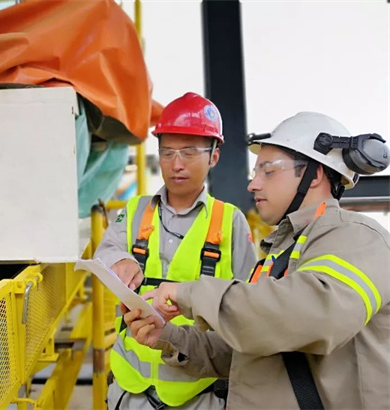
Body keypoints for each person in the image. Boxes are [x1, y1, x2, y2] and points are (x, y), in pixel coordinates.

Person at [124, 111, 390, 409]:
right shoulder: (281, 254)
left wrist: (189, 293)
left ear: (314, 174)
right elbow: (246, 354)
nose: (253, 185)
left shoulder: (358, 238)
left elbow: (312, 316)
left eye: (268, 171)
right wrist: (168, 336)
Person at [94, 92, 257, 409]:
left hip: (197, 393)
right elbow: (106, 249)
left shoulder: (230, 221)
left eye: (189, 152)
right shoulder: (136, 210)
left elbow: (247, 301)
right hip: (131, 389)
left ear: (214, 156)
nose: (176, 164)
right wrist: (120, 259)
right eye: (167, 152)